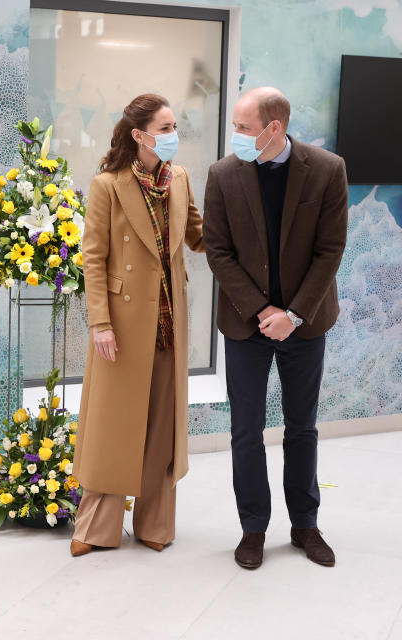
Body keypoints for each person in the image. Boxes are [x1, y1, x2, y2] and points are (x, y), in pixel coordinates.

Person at [203, 87, 347, 569]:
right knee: (246, 430)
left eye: (243, 127)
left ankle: (305, 524)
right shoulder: (223, 174)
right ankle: (253, 529)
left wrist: (295, 314)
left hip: (305, 325)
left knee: (301, 428)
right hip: (246, 325)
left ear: (274, 129)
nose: (236, 136)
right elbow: (218, 252)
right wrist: (264, 310)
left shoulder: (327, 170)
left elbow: (330, 250)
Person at [70, 94, 204, 556]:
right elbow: (93, 258)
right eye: (164, 128)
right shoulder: (107, 184)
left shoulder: (181, 179)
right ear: (139, 135)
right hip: (123, 323)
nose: (172, 136)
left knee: (162, 425)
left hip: (169, 321)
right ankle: (96, 528)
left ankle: (155, 525)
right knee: (114, 423)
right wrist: (100, 324)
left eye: (173, 127)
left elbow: (200, 236)